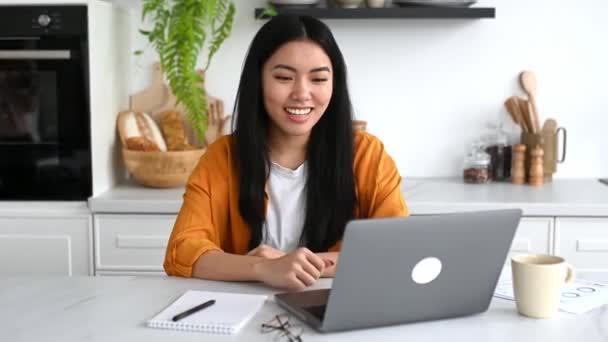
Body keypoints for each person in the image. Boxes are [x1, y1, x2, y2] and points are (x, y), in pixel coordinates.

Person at [164, 15, 408, 290]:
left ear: (334, 84)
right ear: (258, 80)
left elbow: (397, 247)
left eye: (318, 79)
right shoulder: (223, 157)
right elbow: (181, 252)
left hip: (337, 308)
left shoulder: (367, 155)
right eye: (283, 77)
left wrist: (296, 263)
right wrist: (264, 268)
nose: (302, 93)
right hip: (241, 313)